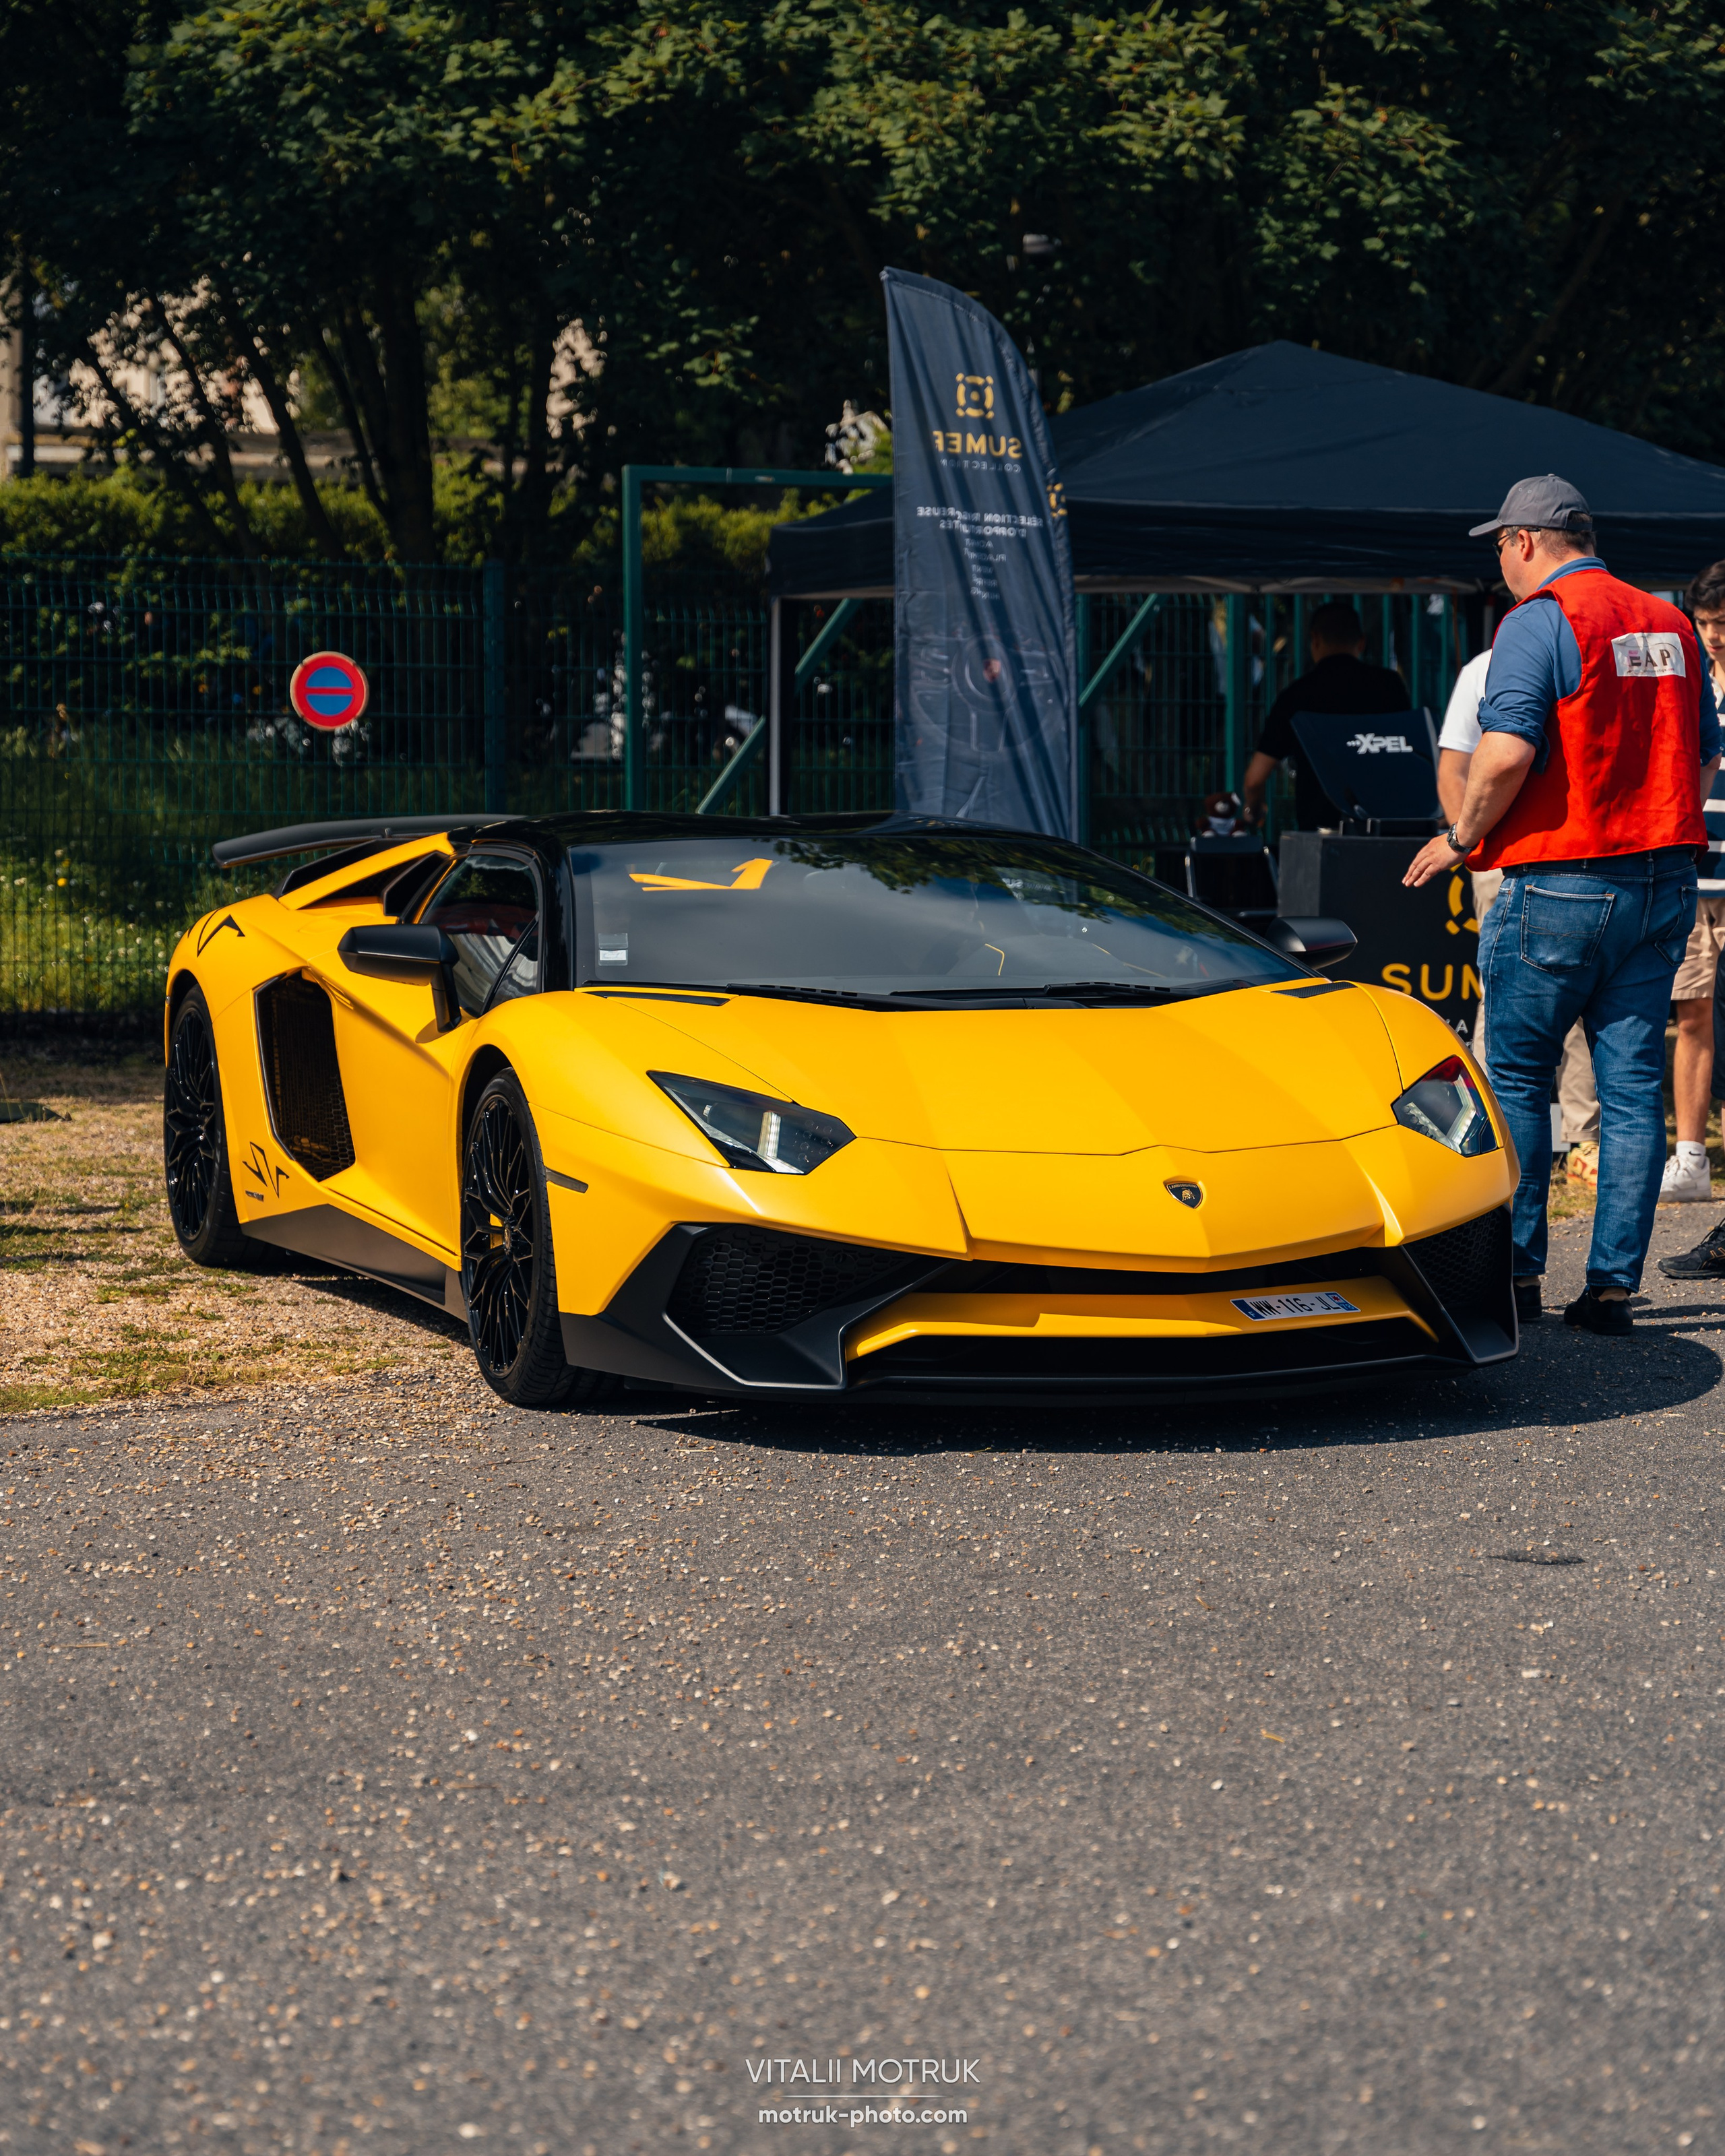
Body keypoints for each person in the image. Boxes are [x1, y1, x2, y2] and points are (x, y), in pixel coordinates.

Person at [1405, 474, 1719, 1337]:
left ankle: (1514, 1274)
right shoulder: (1669, 624)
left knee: (1514, 1078)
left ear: (1523, 541)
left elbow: (1502, 755)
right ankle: (1612, 1285)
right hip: (1661, 881)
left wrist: (1463, 836)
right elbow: (1700, 759)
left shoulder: (1537, 620)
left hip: (1558, 879)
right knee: (1631, 1092)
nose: (1502, 563)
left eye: (1500, 546)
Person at [1437, 645, 1602, 1191]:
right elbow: (1455, 766)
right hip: (1509, 862)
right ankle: (1489, 1140)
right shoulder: (1484, 666)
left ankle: (1583, 1142)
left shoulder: (1591, 652)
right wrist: (1476, 846)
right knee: (1506, 996)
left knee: (1576, 997)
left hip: (1577, 859)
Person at [1657, 559, 1725, 1201]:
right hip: (1695, 872)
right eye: (1704, 622)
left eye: (1723, 623)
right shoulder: (1689, 680)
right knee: (1692, 1012)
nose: (1714, 634)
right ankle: (1691, 1156)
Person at [1241, 602, 1409, 830]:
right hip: (1385, 825)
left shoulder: (1297, 696)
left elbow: (1255, 779)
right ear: (1361, 642)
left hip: (1319, 829)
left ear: (1315, 639)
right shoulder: (1390, 686)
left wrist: (1255, 808)